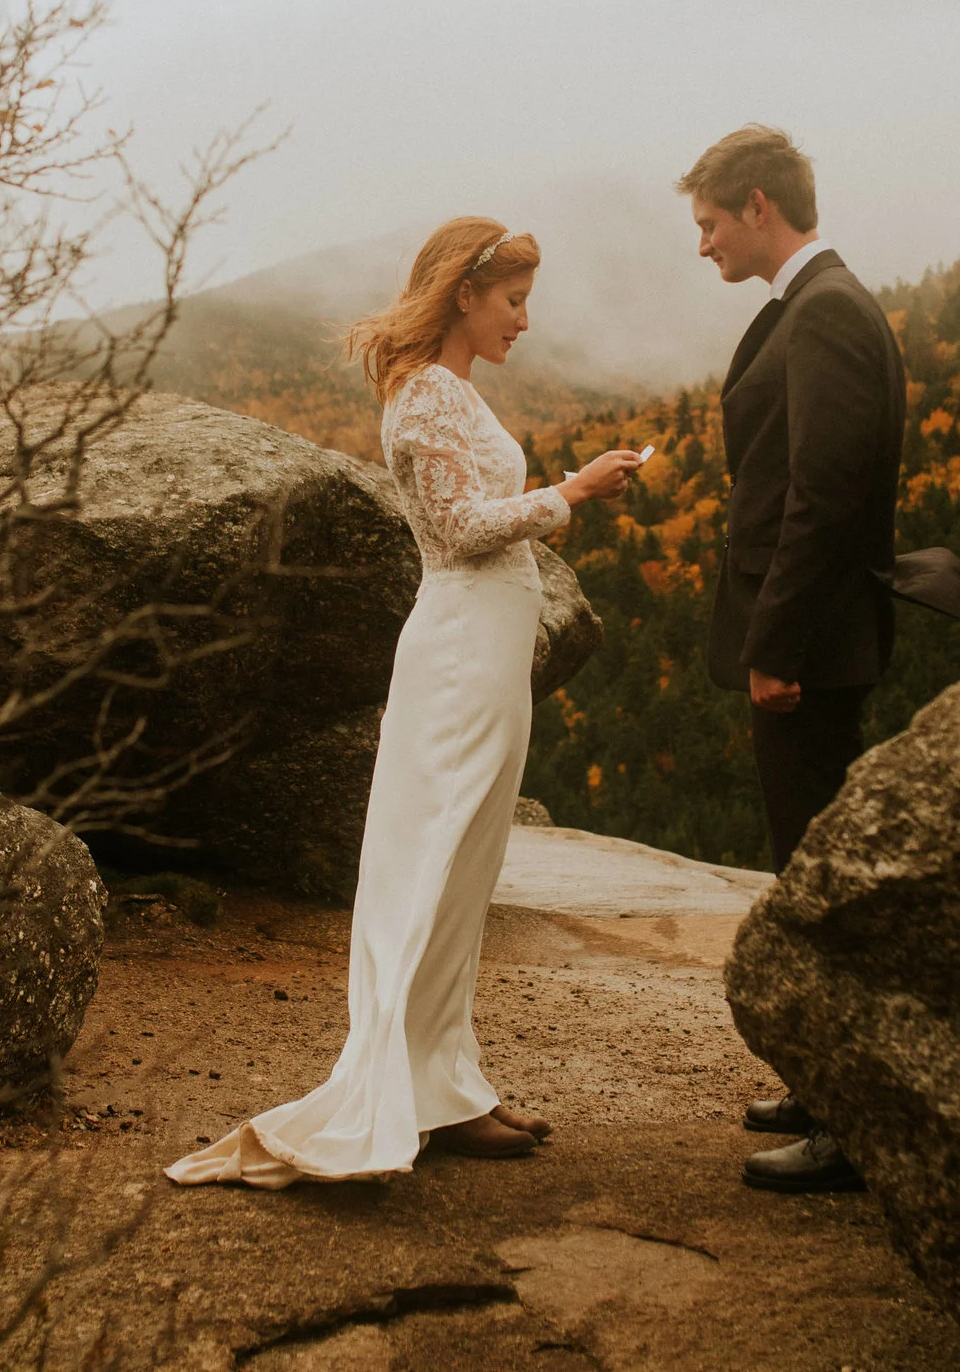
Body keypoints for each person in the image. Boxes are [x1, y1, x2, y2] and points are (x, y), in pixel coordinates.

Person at [166, 218, 644, 1188]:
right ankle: (411, 1084)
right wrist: (574, 490)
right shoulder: (421, 398)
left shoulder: (454, 391)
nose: (525, 319)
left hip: (491, 651)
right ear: (464, 295)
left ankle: (448, 1081)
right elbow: (461, 528)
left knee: (465, 867)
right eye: (513, 299)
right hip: (460, 654)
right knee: (434, 860)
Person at [683, 126, 905, 1194]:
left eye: (710, 223)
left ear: (759, 206)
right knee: (803, 872)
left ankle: (851, 1123)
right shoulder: (813, 307)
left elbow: (822, 495)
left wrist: (773, 647)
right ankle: (823, 1086)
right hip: (809, 640)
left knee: (814, 887)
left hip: (809, 648)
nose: (704, 245)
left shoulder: (825, 313)